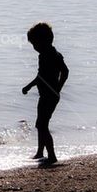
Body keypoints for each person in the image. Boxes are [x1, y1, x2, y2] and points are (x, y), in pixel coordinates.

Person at [21, 22, 69, 166]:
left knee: (42, 125)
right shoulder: (52, 54)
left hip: (49, 95)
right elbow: (44, 76)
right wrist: (29, 86)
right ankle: (40, 152)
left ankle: (52, 156)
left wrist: (57, 88)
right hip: (47, 95)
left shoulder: (47, 55)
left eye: (35, 44)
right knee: (40, 123)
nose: (34, 48)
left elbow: (63, 72)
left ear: (43, 41)